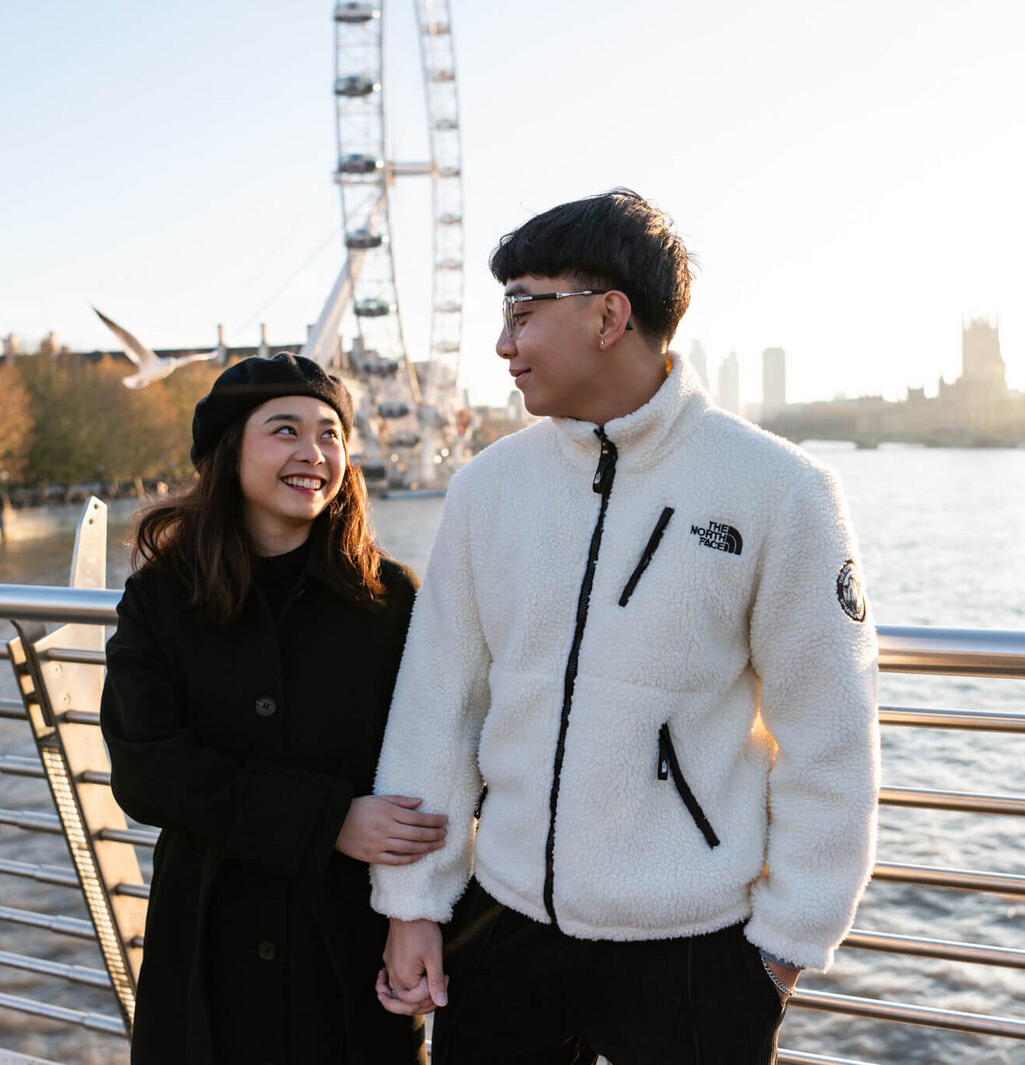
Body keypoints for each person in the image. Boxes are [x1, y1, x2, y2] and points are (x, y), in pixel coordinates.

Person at [370, 189, 881, 1064]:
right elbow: (439, 704)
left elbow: (830, 735)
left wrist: (781, 952)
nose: (503, 343)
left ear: (609, 315)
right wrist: (414, 901)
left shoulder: (780, 490)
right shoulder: (486, 488)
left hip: (696, 949)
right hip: (501, 927)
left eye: (523, 310)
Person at [101, 353, 441, 1065]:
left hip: (351, 943)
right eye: (284, 430)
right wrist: (329, 820)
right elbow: (145, 770)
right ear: (229, 450)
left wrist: (420, 910)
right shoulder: (162, 598)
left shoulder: (392, 599)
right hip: (207, 940)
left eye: (329, 434)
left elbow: (435, 759)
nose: (313, 453)